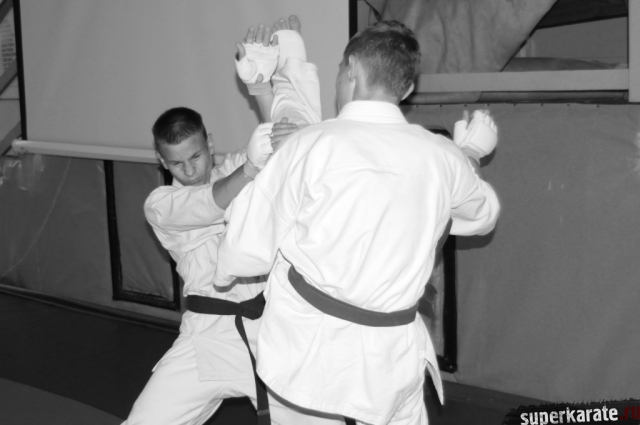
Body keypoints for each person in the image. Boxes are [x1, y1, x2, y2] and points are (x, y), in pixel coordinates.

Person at [213, 20, 501, 425]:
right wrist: (468, 152)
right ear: (406, 89)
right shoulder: (441, 156)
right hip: (393, 360)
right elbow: (482, 214)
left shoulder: (309, 146)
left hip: (309, 355)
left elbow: (245, 251)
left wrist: (226, 269)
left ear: (350, 70)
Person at [122, 16, 343, 425]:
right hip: (206, 338)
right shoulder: (161, 204)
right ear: (161, 161)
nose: (190, 169)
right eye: (177, 163)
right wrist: (250, 171)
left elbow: (286, 140)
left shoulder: (239, 165)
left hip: (271, 331)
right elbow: (209, 203)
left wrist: (261, 84)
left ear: (209, 142)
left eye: (195, 155)